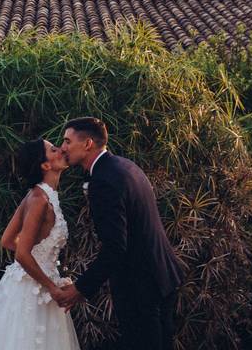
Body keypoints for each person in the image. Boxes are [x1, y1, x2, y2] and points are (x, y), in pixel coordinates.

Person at [56, 117, 182, 350]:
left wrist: (80, 288)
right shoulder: (125, 165)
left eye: (67, 141)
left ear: (87, 144)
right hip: (162, 275)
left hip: (140, 287)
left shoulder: (103, 182)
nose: (63, 147)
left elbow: (115, 247)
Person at [0, 138, 81, 350]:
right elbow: (21, 254)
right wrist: (51, 286)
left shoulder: (38, 195)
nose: (61, 149)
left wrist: (40, 259)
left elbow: (6, 240)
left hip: (35, 283)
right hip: (33, 291)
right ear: (45, 165)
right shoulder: (39, 199)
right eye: (53, 149)